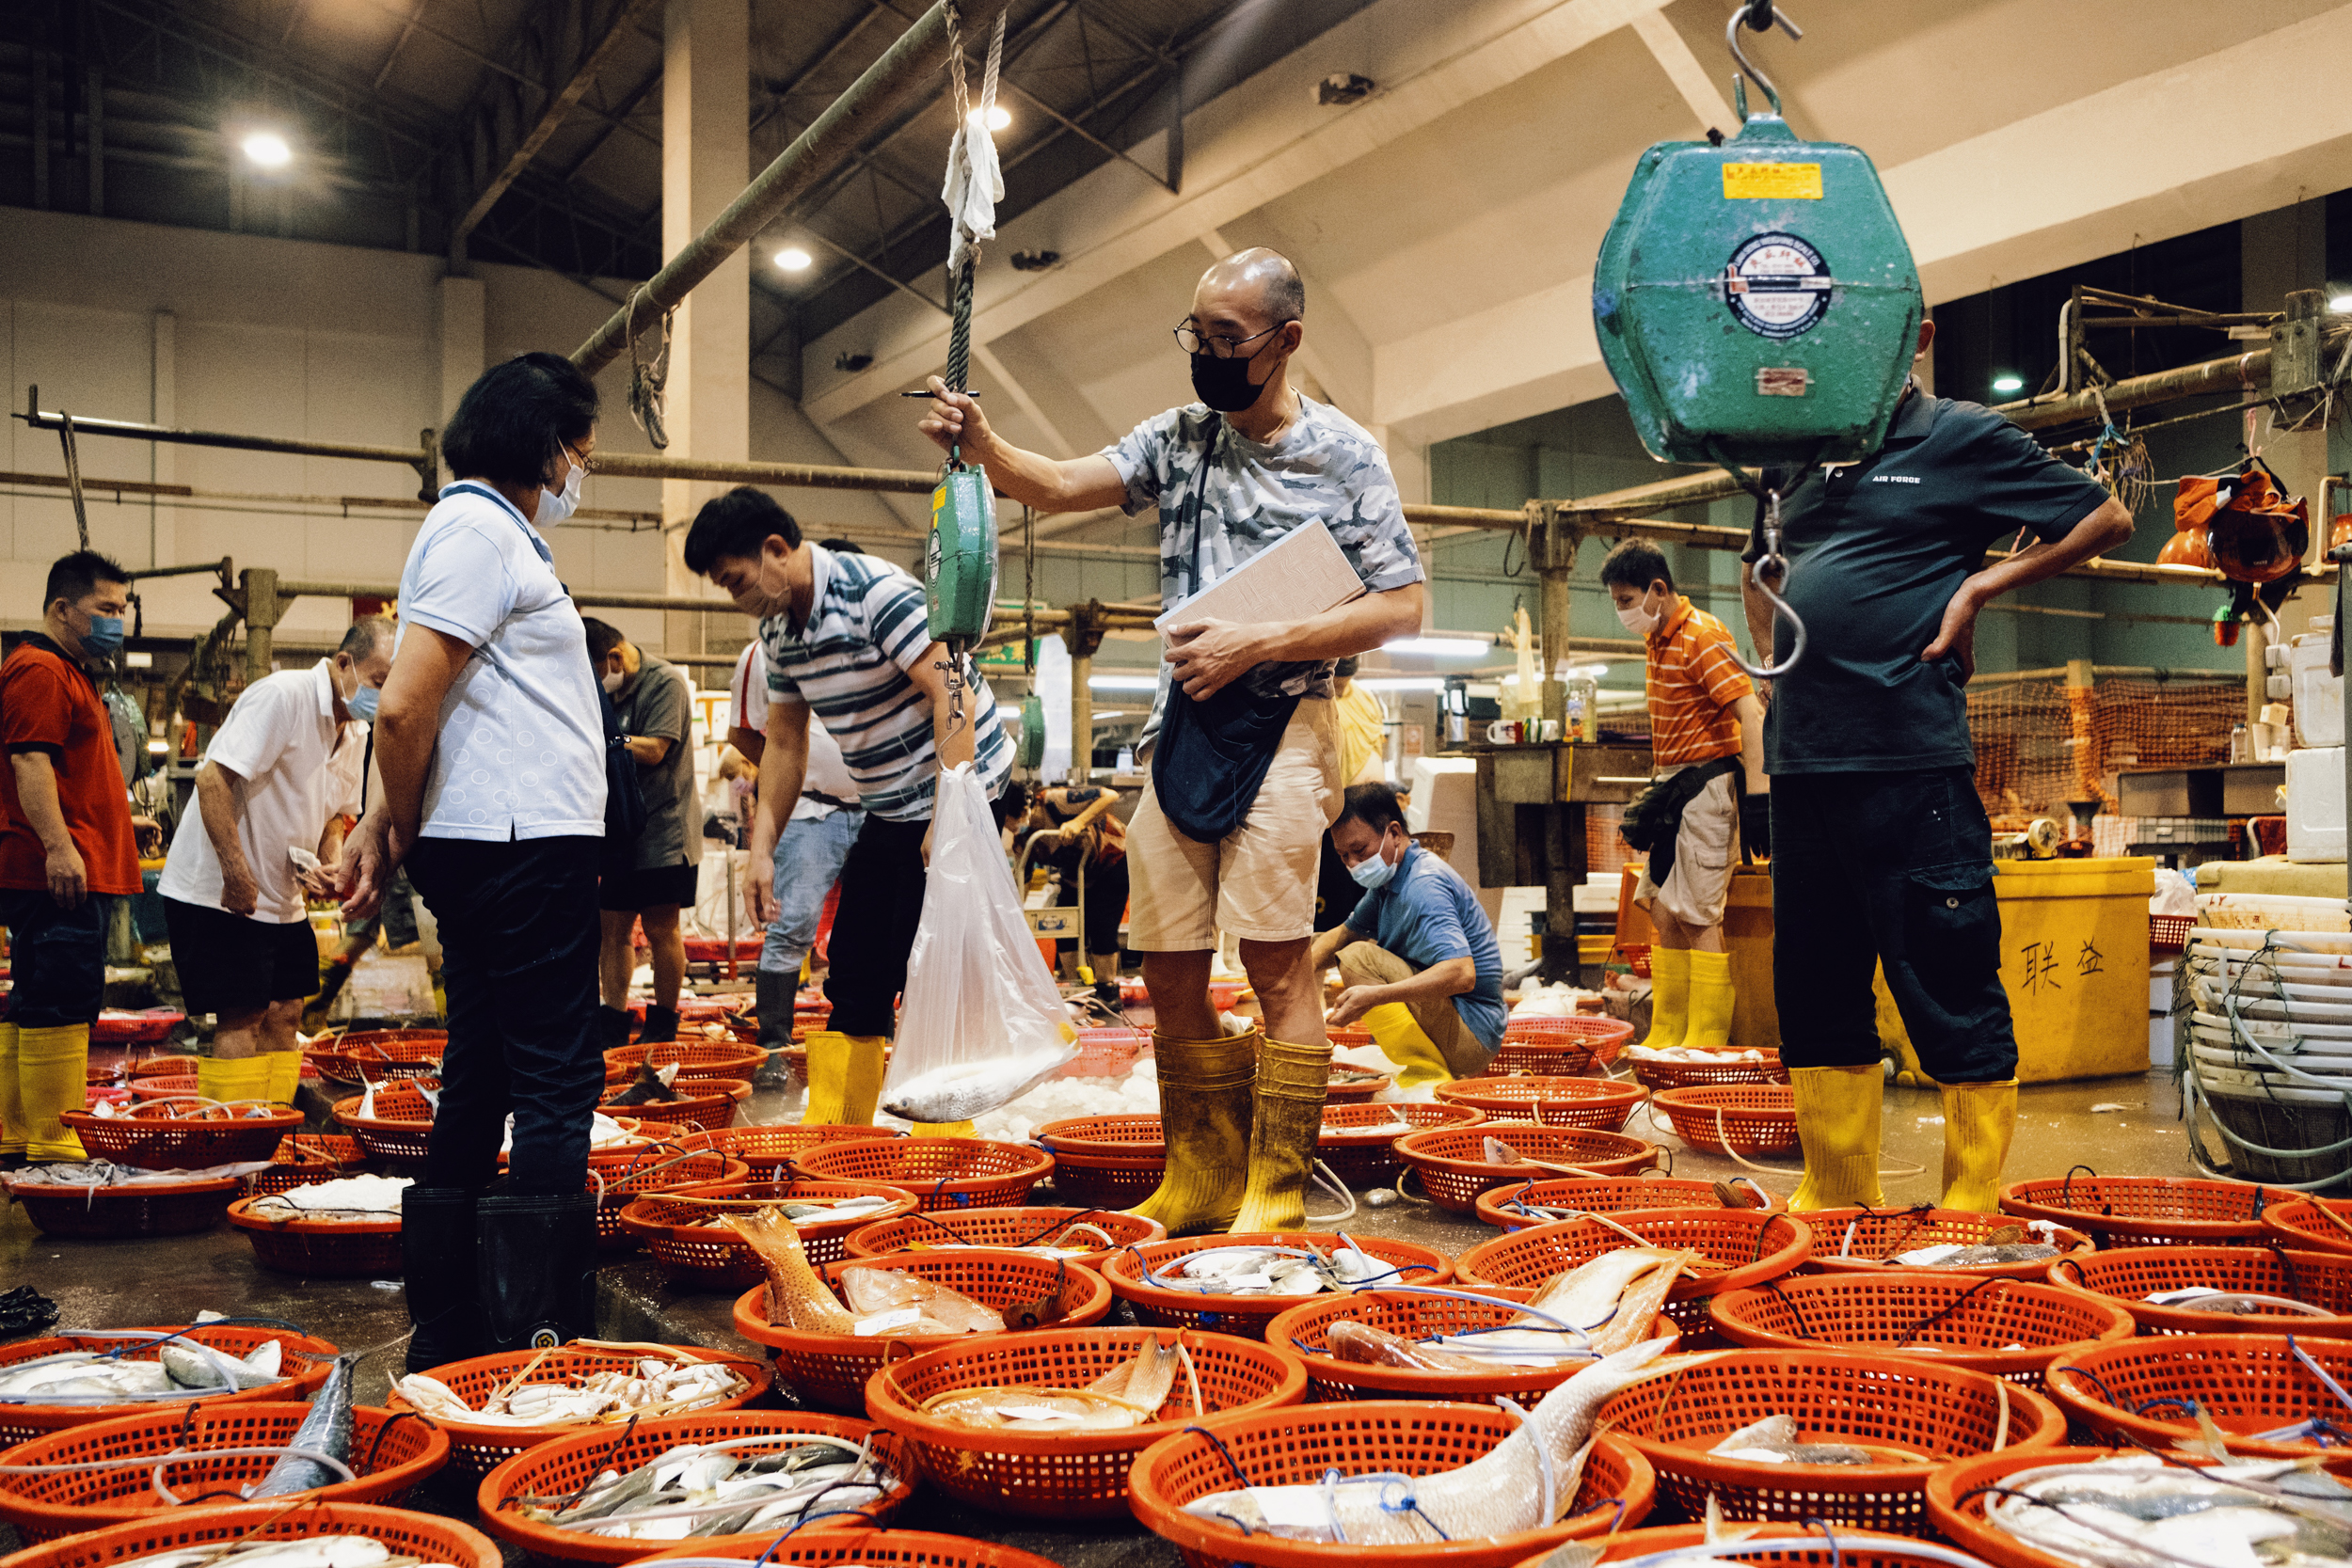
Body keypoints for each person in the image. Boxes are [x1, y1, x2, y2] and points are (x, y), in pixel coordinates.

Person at [921, 246, 1425, 1234]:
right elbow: (1061, 482)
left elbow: (1403, 602)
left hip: (1283, 722)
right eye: (1196, 334)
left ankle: (1275, 1190)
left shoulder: (1344, 453)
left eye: (1227, 338)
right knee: (1166, 962)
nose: (1205, 353)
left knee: (1278, 963)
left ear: (1285, 341)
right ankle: (1203, 1170)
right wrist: (986, 443)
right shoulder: (1181, 437)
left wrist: (1263, 639)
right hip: (1182, 727)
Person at [1741, 319, 2135, 1213]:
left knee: (1945, 973)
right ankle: (1836, 1198)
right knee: (1815, 980)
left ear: (1914, 336)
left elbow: (2103, 514)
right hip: (1804, 770)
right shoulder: (1795, 458)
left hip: (1909, 760)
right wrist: (1772, 677)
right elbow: (1757, 568)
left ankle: (1971, 1204)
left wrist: (1981, 584)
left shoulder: (1959, 436)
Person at [339, 351, 608, 1364]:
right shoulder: (479, 531)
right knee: (553, 1077)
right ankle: (541, 1338)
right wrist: (394, 826)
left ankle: (454, 1327)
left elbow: (418, 704)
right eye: (582, 447)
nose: (585, 467)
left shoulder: (484, 535)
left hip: (501, 837)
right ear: (545, 445)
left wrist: (381, 820)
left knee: (487, 1065)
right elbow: (405, 702)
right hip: (517, 841)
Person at [683, 487, 1012, 1134]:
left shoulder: (874, 593)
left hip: (963, 784)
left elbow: (955, 694)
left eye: (736, 580)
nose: (735, 596)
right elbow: (783, 743)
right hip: (888, 805)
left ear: (775, 549)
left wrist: (952, 809)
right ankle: (842, 1130)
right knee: (858, 964)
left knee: (933, 965)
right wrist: (761, 849)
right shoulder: (778, 631)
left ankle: (945, 1135)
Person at [159, 617, 391, 1106]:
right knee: (242, 1014)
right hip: (219, 892)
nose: (383, 695)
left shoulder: (355, 729)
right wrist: (235, 873)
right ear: (344, 663)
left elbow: (333, 818)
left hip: (281, 897)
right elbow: (211, 781)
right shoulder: (283, 696)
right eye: (379, 681)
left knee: (287, 1010)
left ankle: (271, 1133)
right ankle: (231, 1145)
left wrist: (330, 865)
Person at [1600, 540, 1766, 1055]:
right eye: (1617, 603)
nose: (1624, 612)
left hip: (1707, 784)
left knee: (1698, 914)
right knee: (1664, 911)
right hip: (1673, 783)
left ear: (1658, 589)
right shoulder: (1658, 638)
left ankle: (1706, 1040)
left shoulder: (1702, 636)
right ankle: (1669, 1032)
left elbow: (1751, 714)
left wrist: (1759, 797)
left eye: (1628, 600)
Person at [0, 551, 139, 1166]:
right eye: (106, 609)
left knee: (35, 996)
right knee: (61, 998)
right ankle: (54, 1146)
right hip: (53, 873)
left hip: (59, 866)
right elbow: (29, 763)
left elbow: (63, 772)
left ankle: (15, 1131)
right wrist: (60, 846)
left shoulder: (69, 671)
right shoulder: (42, 668)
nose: (119, 621)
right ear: (62, 609)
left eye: (123, 609)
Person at [724, 637, 865, 1089]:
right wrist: (790, 772)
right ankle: (774, 1050)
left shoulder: (866, 642)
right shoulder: (760, 654)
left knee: (872, 929)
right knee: (792, 925)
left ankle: (865, 1039)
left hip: (878, 806)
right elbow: (742, 731)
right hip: (805, 810)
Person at [1310, 783, 1505, 1088]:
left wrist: (1374, 997)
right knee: (1320, 945)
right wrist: (1291, 987)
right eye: (1343, 855)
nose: (1352, 865)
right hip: (1455, 1020)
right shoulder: (1389, 882)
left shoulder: (1423, 885)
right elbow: (1342, 933)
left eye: (1360, 851)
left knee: (1359, 959)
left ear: (1395, 833)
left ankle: (1427, 1077)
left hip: (1472, 1035)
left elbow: (1462, 973)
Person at [582, 619, 696, 1048]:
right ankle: (612, 1016)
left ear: (613, 658)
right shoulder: (607, 692)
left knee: (660, 927)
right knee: (611, 926)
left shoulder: (664, 682)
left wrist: (607, 738)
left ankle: (664, 1020)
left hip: (664, 828)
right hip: (617, 830)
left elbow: (655, 749)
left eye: (596, 672)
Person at [1029, 784, 1129, 1005]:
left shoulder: (1053, 800)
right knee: (1063, 924)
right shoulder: (1021, 837)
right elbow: (1023, 880)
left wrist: (1077, 822)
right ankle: (1078, 993)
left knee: (1102, 926)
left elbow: (1110, 796)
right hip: (1074, 873)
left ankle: (1107, 992)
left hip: (1112, 859)